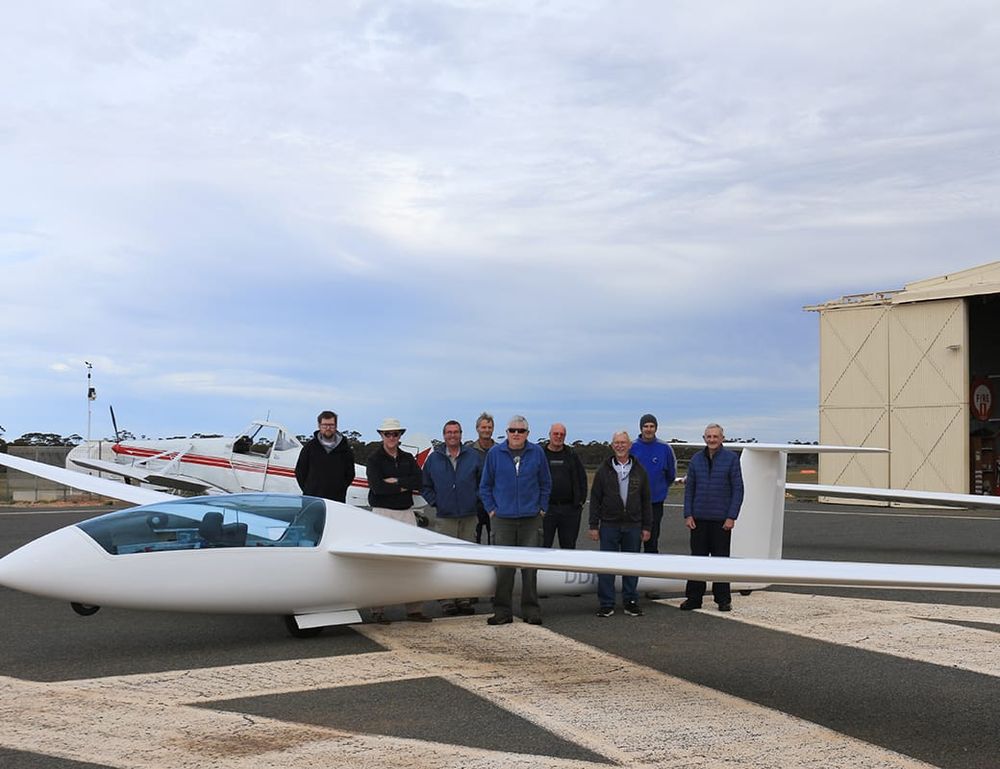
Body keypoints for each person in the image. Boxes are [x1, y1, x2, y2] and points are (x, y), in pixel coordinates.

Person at [479, 415, 551, 626]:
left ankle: (531, 610)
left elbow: (546, 483)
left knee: (530, 568)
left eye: (521, 431)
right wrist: (492, 509)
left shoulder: (537, 452)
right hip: (503, 519)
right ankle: (502, 611)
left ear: (527, 433)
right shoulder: (495, 453)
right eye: (513, 430)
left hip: (531, 519)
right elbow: (485, 485)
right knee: (504, 568)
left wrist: (542, 509)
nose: (516, 434)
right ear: (507, 432)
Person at [366, 417, 431, 623]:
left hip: (405, 512)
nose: (392, 437)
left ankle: (414, 609)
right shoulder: (374, 459)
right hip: (382, 513)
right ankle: (378, 610)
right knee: (381, 563)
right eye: (388, 434)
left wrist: (397, 482)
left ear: (400, 436)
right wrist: (404, 486)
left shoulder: (407, 458)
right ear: (381, 436)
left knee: (413, 561)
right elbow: (377, 487)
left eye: (395, 434)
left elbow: (419, 480)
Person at [680, 423, 744, 612]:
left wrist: (731, 516)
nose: (712, 440)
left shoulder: (731, 459)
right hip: (698, 519)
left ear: (722, 438)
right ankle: (694, 598)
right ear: (704, 438)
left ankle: (723, 599)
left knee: (721, 561)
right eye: (709, 437)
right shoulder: (696, 459)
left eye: (715, 436)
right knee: (697, 561)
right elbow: (689, 488)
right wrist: (688, 513)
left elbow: (738, 489)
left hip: (721, 520)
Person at [588, 431, 651, 617]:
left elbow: (646, 500)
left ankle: (630, 601)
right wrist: (593, 525)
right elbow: (596, 498)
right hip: (609, 525)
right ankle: (607, 603)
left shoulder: (640, 470)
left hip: (633, 525)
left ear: (630, 445)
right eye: (617, 442)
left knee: (631, 566)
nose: (620, 445)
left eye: (623, 442)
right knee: (607, 567)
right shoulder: (603, 470)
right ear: (612, 445)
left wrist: (647, 527)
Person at [421, 419, 481, 616]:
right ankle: (447, 599)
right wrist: (436, 501)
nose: (452, 435)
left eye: (456, 432)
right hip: (445, 516)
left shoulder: (472, 456)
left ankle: (463, 598)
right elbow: (425, 484)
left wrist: (475, 500)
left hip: (468, 515)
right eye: (449, 432)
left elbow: (483, 482)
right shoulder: (434, 458)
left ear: (461, 434)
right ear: (444, 435)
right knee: (446, 559)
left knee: (466, 559)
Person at [630, 414, 676, 554]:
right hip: (634, 503)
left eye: (651, 426)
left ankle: (651, 568)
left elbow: (671, 475)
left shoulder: (665, 448)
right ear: (641, 428)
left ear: (656, 428)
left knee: (652, 538)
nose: (648, 429)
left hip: (655, 502)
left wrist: (660, 490)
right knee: (633, 539)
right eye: (646, 426)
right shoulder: (632, 447)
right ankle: (632, 572)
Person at [294, 410, 356, 503]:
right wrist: (309, 490)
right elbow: (300, 471)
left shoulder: (345, 450)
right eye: (325, 425)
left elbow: (350, 474)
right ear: (319, 426)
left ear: (336, 426)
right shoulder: (310, 447)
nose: (328, 428)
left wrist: (340, 488)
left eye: (331, 425)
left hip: (337, 501)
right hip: (311, 500)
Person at [542, 423, 587, 549]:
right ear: (549, 435)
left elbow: (582, 479)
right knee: (542, 547)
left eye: (562, 434)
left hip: (569, 510)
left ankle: (567, 570)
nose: (558, 436)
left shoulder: (572, 455)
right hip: (546, 510)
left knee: (568, 548)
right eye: (556, 434)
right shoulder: (541, 454)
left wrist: (580, 502)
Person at [468, 412, 496, 544]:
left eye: (489, 427)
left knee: (495, 540)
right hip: (474, 504)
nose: (487, 430)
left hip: (495, 503)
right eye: (484, 427)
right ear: (477, 428)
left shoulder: (499, 451)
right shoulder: (468, 451)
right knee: (473, 541)